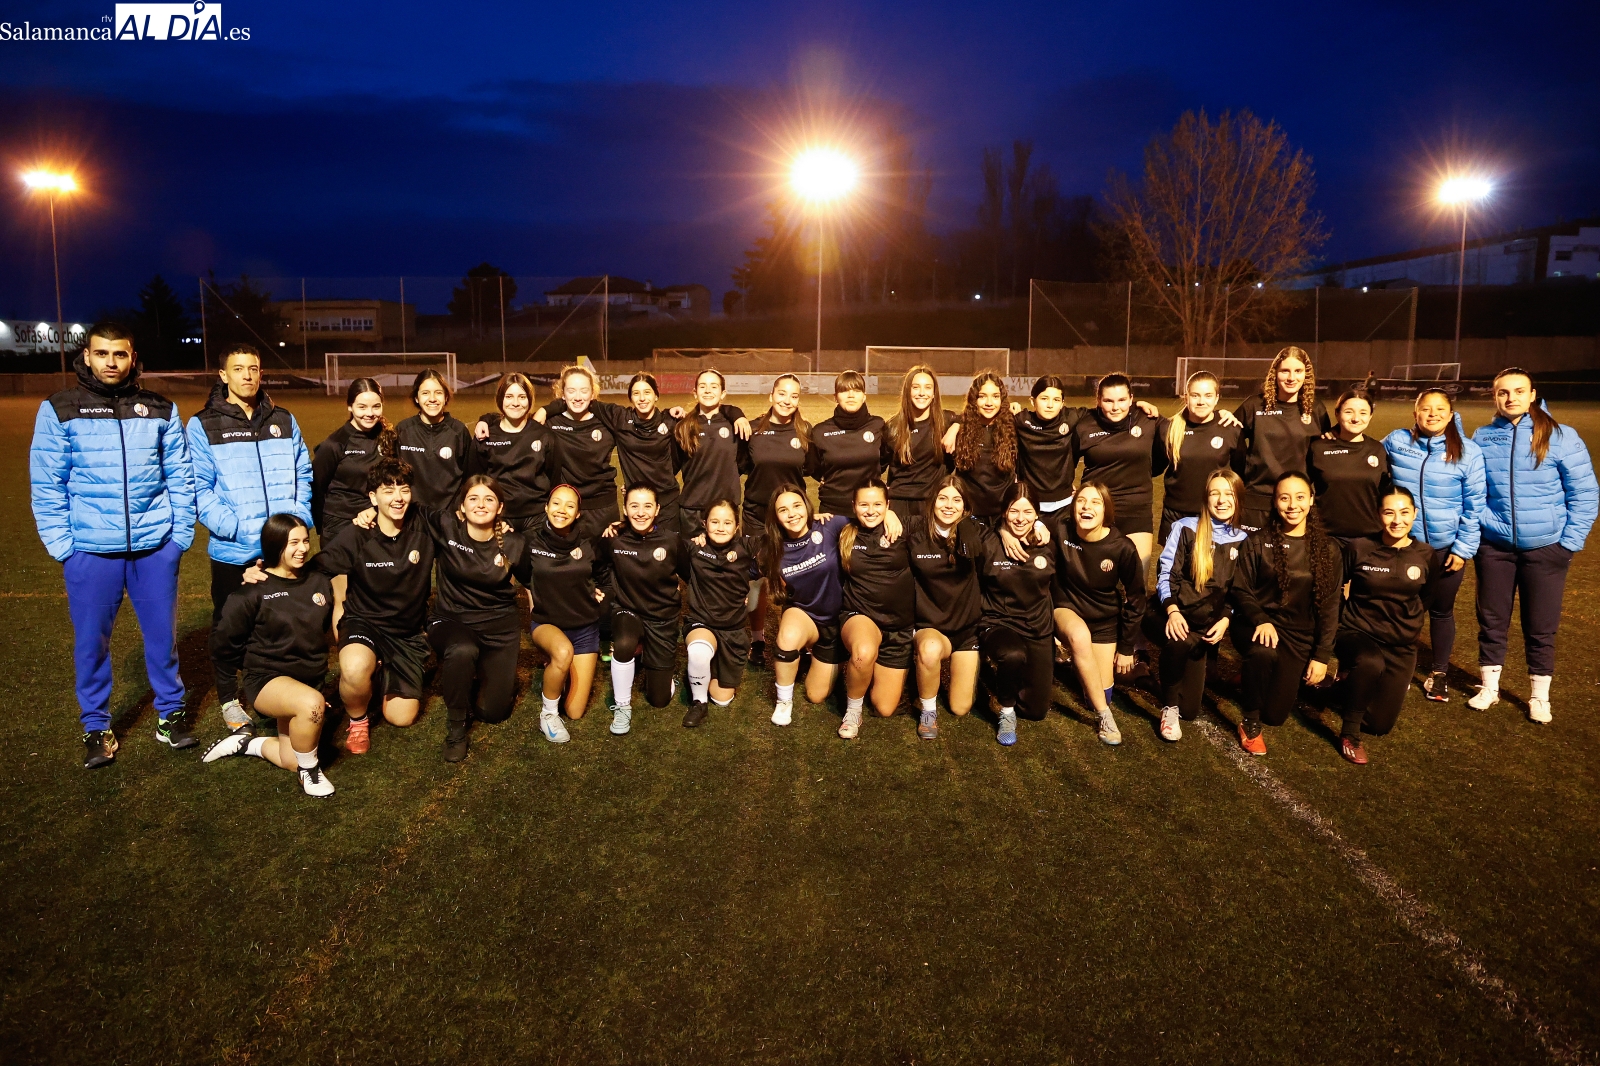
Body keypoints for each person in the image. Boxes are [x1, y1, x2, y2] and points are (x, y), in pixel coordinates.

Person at [30, 321, 198, 768]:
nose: (111, 362)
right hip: (90, 551)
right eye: (102, 353)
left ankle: (170, 715)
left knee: (162, 640)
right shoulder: (60, 407)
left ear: (132, 358)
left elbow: (180, 477)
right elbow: (47, 483)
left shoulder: (160, 408)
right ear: (86, 356)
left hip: (154, 548)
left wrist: (178, 536)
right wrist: (64, 546)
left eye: (119, 354)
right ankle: (96, 726)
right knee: (92, 644)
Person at [186, 344, 312, 731]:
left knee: (280, 623)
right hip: (234, 548)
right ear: (223, 375)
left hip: (283, 548)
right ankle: (229, 698)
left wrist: (297, 522)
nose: (247, 376)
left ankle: (276, 689)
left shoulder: (283, 419)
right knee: (229, 628)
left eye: (253, 369)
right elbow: (198, 489)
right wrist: (237, 528)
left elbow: (302, 473)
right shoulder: (203, 424)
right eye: (238, 369)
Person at [1467, 368, 1597, 722]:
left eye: (1519, 391)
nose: (1511, 398)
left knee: (1540, 625)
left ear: (1532, 394)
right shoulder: (1483, 437)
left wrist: (1567, 544)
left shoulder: (1560, 435)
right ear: (1494, 396)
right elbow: (1474, 490)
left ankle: (1540, 696)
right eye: (1503, 392)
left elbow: (1585, 494)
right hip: (1495, 547)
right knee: (1492, 620)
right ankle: (1489, 687)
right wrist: (1483, 528)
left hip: (1546, 548)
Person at [202, 514, 336, 796]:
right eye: (293, 543)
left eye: (305, 541)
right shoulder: (251, 593)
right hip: (267, 680)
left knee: (290, 759)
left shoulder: (318, 581)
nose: (303, 549)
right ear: (275, 546)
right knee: (311, 706)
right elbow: (222, 646)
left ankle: (246, 744)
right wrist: (250, 666)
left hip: (308, 680)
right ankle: (310, 773)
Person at [312, 458, 434, 755]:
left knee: (401, 717)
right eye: (388, 491)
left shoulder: (424, 523)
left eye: (404, 489)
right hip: (364, 622)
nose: (398, 498)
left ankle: (380, 672)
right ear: (372, 497)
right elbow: (316, 568)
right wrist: (268, 573)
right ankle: (358, 720)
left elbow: (463, 524)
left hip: (406, 632)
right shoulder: (357, 533)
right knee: (354, 668)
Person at [534, 371, 749, 534]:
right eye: (636, 393)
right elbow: (582, 399)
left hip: (668, 503)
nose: (642, 398)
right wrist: (546, 409)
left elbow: (703, 424)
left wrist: (735, 412)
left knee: (670, 557)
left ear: (656, 396)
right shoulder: (619, 417)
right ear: (630, 398)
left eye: (647, 392)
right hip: (637, 505)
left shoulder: (671, 421)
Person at [1381, 387, 1486, 702]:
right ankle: (1398, 669)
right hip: (1405, 546)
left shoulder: (1468, 452)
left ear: (1451, 414)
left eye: (1440, 409)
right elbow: (1365, 457)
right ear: (1415, 413)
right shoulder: (1397, 441)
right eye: (1426, 408)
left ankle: (1438, 673)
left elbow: (1475, 505)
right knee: (1400, 610)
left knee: (1441, 611)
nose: (1433, 414)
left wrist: (1462, 548)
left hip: (1445, 549)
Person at [1228, 472, 1342, 754]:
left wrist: (1321, 656)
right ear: (1275, 502)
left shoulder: (1328, 549)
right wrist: (1261, 620)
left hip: (1298, 635)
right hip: (1256, 625)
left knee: (1275, 715)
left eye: (1300, 497)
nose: (1293, 505)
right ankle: (1249, 723)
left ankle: (1259, 676)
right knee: (1263, 652)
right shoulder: (1258, 541)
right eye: (1284, 498)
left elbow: (1330, 606)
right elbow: (1241, 589)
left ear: (1311, 500)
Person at [419, 476, 529, 762]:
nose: (481, 505)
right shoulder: (446, 526)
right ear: (462, 507)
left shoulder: (514, 543)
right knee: (462, 649)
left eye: (489, 499)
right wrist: (369, 512)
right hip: (451, 621)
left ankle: (487, 677)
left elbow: (534, 581)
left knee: (493, 713)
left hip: (499, 629)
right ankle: (456, 728)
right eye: (473, 499)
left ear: (500, 507)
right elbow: (408, 508)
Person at [1333, 488, 1436, 765]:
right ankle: (1349, 735)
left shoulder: (1426, 555)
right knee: (1369, 662)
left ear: (1415, 514)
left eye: (1404, 513)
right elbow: (1334, 588)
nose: (1397, 520)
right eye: (1389, 513)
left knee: (1379, 724)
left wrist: (1406, 625)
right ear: (1378, 514)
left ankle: (1343, 689)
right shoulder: (1359, 548)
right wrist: (1342, 619)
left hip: (1401, 645)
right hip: (1357, 632)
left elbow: (1427, 597)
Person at [1149, 469, 1247, 741]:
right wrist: (1172, 611)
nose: (1221, 500)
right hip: (1168, 614)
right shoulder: (1185, 527)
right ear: (1206, 498)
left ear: (1238, 499)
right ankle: (1168, 707)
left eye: (1228, 494)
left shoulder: (1243, 540)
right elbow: (1166, 574)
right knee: (1179, 641)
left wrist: (1226, 618)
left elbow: (1239, 590)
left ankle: (1160, 682)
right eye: (1215, 493)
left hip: (1202, 630)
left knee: (1190, 711)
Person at [1048, 480, 1146, 746]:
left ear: (1106, 510)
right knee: (1079, 637)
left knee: (1098, 694)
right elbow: (1026, 522)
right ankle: (1105, 717)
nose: (1086, 507)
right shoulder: (1060, 529)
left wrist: (1126, 647)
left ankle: (1081, 665)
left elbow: (1137, 598)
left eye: (1095, 502)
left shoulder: (1122, 548)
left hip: (1104, 621)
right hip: (1066, 609)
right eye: (1081, 501)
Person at [524, 484, 611, 741]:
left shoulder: (589, 540)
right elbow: (523, 576)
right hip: (547, 624)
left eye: (570, 506)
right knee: (562, 652)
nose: (562, 510)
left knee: (574, 712)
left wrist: (599, 596)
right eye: (556, 503)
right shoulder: (529, 540)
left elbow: (605, 576)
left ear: (578, 513)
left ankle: (556, 672)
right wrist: (534, 604)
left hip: (584, 629)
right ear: (546, 507)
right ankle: (548, 714)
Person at [975, 482, 1058, 745]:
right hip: (999, 620)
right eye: (1013, 511)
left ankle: (1008, 679)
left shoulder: (1048, 541)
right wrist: (1001, 530)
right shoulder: (988, 542)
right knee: (1013, 655)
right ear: (1003, 512)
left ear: (1037, 514)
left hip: (1037, 627)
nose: (1020, 518)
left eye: (1027, 511)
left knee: (1036, 711)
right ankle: (1006, 710)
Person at [760, 485, 850, 727]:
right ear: (775, 516)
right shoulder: (772, 546)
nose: (792, 514)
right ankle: (784, 701)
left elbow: (867, 519)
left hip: (838, 623)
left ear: (807, 506)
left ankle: (830, 657)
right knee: (787, 637)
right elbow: (736, 559)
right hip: (805, 615)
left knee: (816, 695)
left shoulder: (829, 525)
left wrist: (890, 514)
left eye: (797, 506)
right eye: (783, 510)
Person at [598, 483, 684, 733]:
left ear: (657, 509)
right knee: (624, 643)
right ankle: (622, 706)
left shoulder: (671, 541)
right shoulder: (613, 538)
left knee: (659, 700)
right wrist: (595, 589)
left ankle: (652, 657)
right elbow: (593, 565)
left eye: (647, 506)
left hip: (662, 619)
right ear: (625, 509)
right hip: (629, 611)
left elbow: (693, 573)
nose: (640, 512)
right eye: (634, 506)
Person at [836, 478, 915, 739]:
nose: (870, 511)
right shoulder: (844, 531)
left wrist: (891, 515)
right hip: (860, 615)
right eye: (864, 505)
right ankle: (853, 710)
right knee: (863, 653)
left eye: (878, 504)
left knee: (884, 707)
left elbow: (942, 524)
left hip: (899, 627)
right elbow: (804, 526)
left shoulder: (903, 528)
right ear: (853, 506)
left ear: (888, 504)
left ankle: (868, 673)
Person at [908, 475, 985, 739]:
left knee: (960, 708)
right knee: (929, 650)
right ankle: (928, 711)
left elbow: (1007, 528)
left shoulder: (976, 533)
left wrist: (1039, 525)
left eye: (956, 500)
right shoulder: (916, 534)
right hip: (931, 627)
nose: (949, 505)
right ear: (932, 502)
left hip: (966, 631)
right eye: (942, 498)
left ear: (965, 506)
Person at [741, 374, 810, 657]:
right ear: (771, 396)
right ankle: (757, 640)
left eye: (794, 396)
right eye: (782, 394)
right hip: (756, 515)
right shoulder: (752, 429)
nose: (787, 400)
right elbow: (738, 466)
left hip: (792, 517)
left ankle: (799, 639)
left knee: (795, 576)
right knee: (757, 579)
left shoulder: (805, 431)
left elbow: (817, 468)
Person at [1233, 347, 1331, 531]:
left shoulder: (1316, 410)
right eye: (1285, 371)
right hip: (1257, 501)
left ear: (1306, 375)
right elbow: (1229, 438)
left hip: (1296, 504)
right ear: (1275, 374)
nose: (1291, 377)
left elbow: (1324, 455)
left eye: (1298, 371)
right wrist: (1221, 415)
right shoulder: (1254, 406)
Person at [1068, 372, 1161, 566]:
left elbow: (1182, 429)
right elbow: (1066, 461)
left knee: (1138, 576)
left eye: (1122, 400)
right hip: (1095, 510)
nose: (1116, 407)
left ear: (1131, 399)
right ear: (1098, 400)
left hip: (1136, 511)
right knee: (1094, 575)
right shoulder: (1085, 423)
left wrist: (1221, 415)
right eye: (1108, 401)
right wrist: (1067, 486)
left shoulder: (1148, 419)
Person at [680, 499, 758, 728]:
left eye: (727, 522)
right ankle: (699, 702)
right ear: (704, 524)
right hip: (701, 623)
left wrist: (812, 521)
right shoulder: (695, 547)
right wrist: (621, 527)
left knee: (722, 699)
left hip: (733, 631)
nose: (721, 528)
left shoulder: (746, 547)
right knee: (698, 652)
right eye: (714, 522)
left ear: (737, 526)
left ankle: (709, 665)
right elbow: (660, 541)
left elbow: (779, 538)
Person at [1154, 371, 1245, 545]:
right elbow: (1154, 467)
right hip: (1175, 515)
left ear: (1217, 398)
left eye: (1208, 395)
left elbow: (1240, 473)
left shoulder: (1231, 428)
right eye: (1195, 395)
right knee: (1174, 563)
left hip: (1217, 514)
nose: (1201, 401)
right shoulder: (1169, 429)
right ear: (1186, 397)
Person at [542, 365, 623, 538]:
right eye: (571, 391)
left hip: (603, 509)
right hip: (565, 509)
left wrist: (671, 415)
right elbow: (514, 424)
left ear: (592, 393)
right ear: (562, 394)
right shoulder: (550, 422)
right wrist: (486, 420)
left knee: (605, 555)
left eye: (584, 391)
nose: (578, 397)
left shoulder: (607, 421)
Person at [312, 377, 394, 544]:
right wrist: (325, 528)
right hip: (340, 526)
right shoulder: (335, 444)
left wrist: (376, 510)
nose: (370, 413)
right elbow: (316, 487)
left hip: (377, 521)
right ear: (350, 406)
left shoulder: (389, 439)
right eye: (362, 407)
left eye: (376, 406)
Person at [1307, 388, 1390, 543]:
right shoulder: (1318, 448)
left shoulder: (1377, 449)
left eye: (1363, 413)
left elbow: (1385, 493)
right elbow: (1301, 487)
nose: (1356, 418)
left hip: (1370, 538)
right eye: (1348, 412)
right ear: (1337, 414)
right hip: (1327, 537)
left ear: (1370, 416)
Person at [470, 372, 550, 531]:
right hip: (500, 518)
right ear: (500, 399)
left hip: (538, 518)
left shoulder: (544, 435)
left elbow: (554, 477)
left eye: (522, 397)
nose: (515, 403)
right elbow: (474, 480)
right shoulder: (486, 435)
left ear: (530, 399)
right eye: (509, 396)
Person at [674, 369, 750, 537]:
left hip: (726, 508)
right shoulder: (683, 427)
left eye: (714, 386)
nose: (708, 390)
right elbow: (671, 467)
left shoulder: (735, 425)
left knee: (729, 554)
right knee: (693, 554)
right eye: (703, 386)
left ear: (723, 393)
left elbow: (742, 462)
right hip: (692, 510)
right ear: (695, 392)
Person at [807, 370, 888, 515]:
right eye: (844, 391)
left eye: (856, 390)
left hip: (870, 511)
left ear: (864, 396)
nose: (851, 395)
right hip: (833, 511)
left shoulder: (878, 425)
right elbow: (814, 467)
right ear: (835, 397)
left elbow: (883, 460)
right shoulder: (820, 431)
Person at [943, 371, 1018, 524]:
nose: (989, 403)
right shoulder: (961, 430)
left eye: (995, 396)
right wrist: (956, 425)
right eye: (982, 396)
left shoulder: (1013, 428)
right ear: (974, 399)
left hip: (1003, 516)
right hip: (969, 516)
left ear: (1002, 399)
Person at [396, 369, 471, 511]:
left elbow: (470, 477)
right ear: (416, 398)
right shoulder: (403, 430)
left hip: (449, 514)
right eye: (425, 393)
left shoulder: (458, 431)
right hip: (412, 513)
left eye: (438, 393)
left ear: (446, 397)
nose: (432, 399)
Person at [884, 365, 951, 521]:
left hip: (932, 503)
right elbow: (875, 468)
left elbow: (970, 418)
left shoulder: (946, 423)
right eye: (916, 387)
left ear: (934, 394)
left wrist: (956, 427)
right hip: (898, 505)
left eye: (928, 387)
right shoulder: (892, 427)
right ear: (907, 391)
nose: (922, 392)